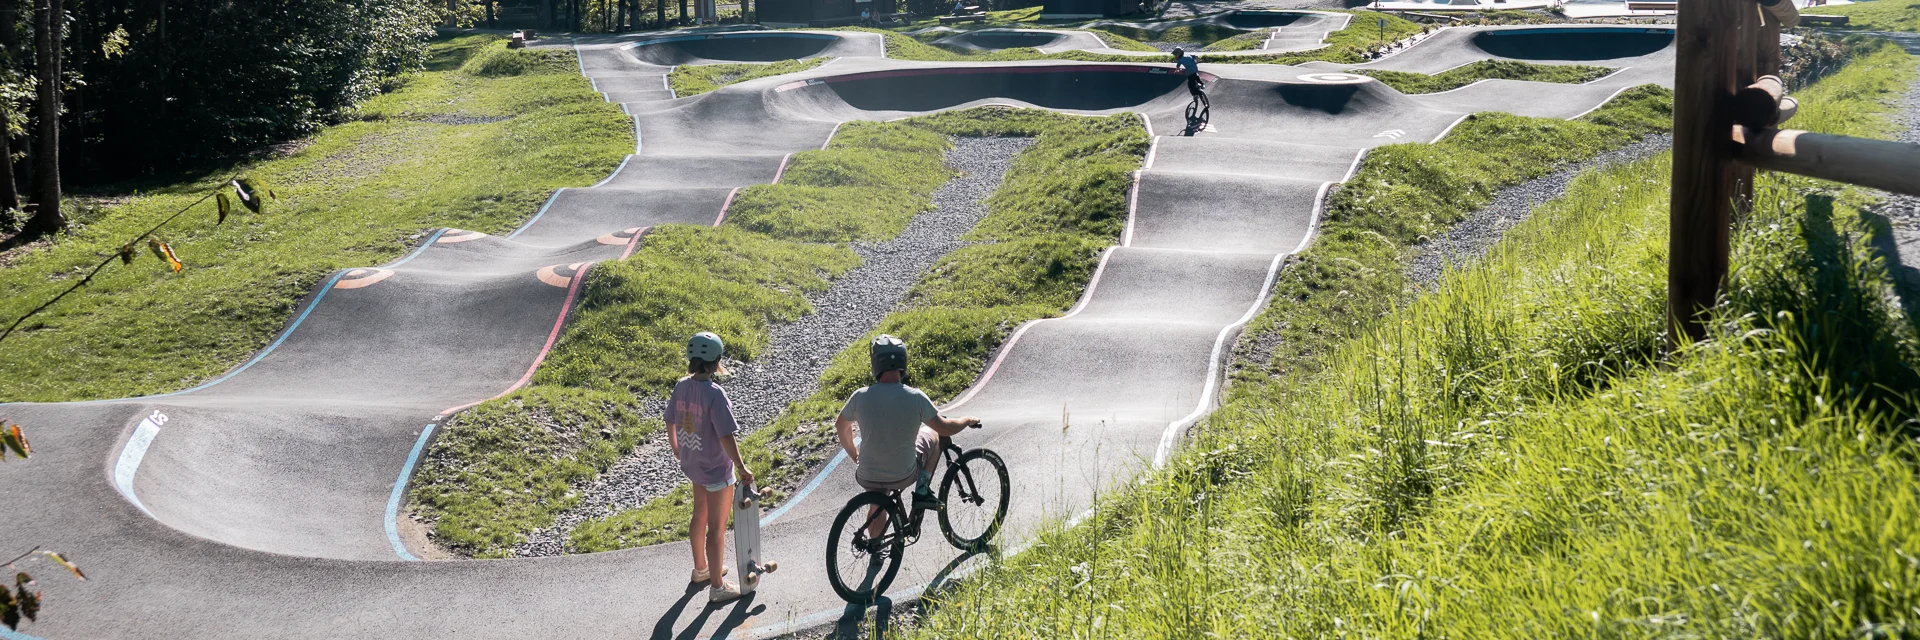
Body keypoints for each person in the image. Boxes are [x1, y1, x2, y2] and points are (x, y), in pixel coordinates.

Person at [835, 335, 979, 529]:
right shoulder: (915, 397)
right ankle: (922, 490)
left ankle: (877, 553)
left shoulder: (860, 396)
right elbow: (945, 428)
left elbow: (841, 426)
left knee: (877, 502)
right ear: (903, 363)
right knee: (936, 435)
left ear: (876, 365)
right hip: (903, 475)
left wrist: (854, 454)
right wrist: (966, 420)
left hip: (867, 474)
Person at [667, 331, 755, 603]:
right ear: (717, 360)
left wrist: (677, 450)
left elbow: (670, 420)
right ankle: (718, 587)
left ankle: (701, 570)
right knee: (717, 528)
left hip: (693, 463)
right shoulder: (715, 394)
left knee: (699, 516)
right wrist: (741, 467)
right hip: (716, 470)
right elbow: (725, 435)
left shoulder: (682, 385)